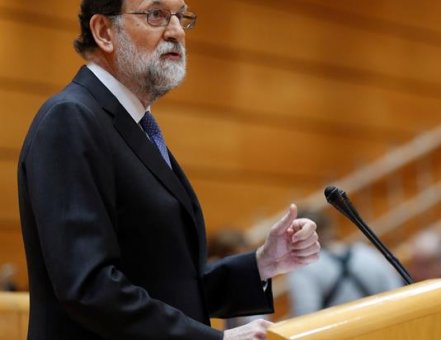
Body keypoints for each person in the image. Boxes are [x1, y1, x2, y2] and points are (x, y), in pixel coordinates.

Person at [17, 1, 320, 339]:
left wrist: (263, 263)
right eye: (156, 14)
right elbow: (89, 288)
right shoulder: (71, 119)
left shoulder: (134, 126)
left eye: (181, 16)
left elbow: (169, 284)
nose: (176, 30)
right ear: (104, 32)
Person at [287, 209, 402, 316]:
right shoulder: (366, 253)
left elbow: (305, 315)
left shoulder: (305, 266)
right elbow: (396, 291)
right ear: (330, 228)